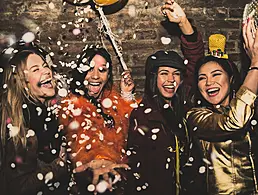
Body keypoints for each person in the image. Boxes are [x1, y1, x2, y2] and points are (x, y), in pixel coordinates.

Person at [125, 1, 205, 195]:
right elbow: (137, 172)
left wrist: (183, 22)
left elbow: (196, 59)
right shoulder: (142, 116)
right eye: (164, 73)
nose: (171, 80)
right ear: (153, 78)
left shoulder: (185, 103)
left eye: (176, 73)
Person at [186, 17, 258, 194]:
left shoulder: (252, 108)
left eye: (216, 74)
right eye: (202, 78)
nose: (208, 82)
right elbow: (234, 121)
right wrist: (255, 64)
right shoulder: (196, 116)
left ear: (230, 79)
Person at [58, 45, 136, 194]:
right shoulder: (70, 106)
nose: (95, 76)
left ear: (108, 75)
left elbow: (130, 132)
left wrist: (126, 96)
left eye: (102, 70)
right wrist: (97, 160)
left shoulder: (112, 101)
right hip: (84, 185)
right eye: (90, 68)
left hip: (116, 183)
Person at [0, 40, 69, 195]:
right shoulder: (23, 126)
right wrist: (59, 166)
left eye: (45, 66)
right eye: (36, 69)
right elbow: (18, 187)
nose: (47, 72)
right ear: (24, 84)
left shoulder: (46, 114)